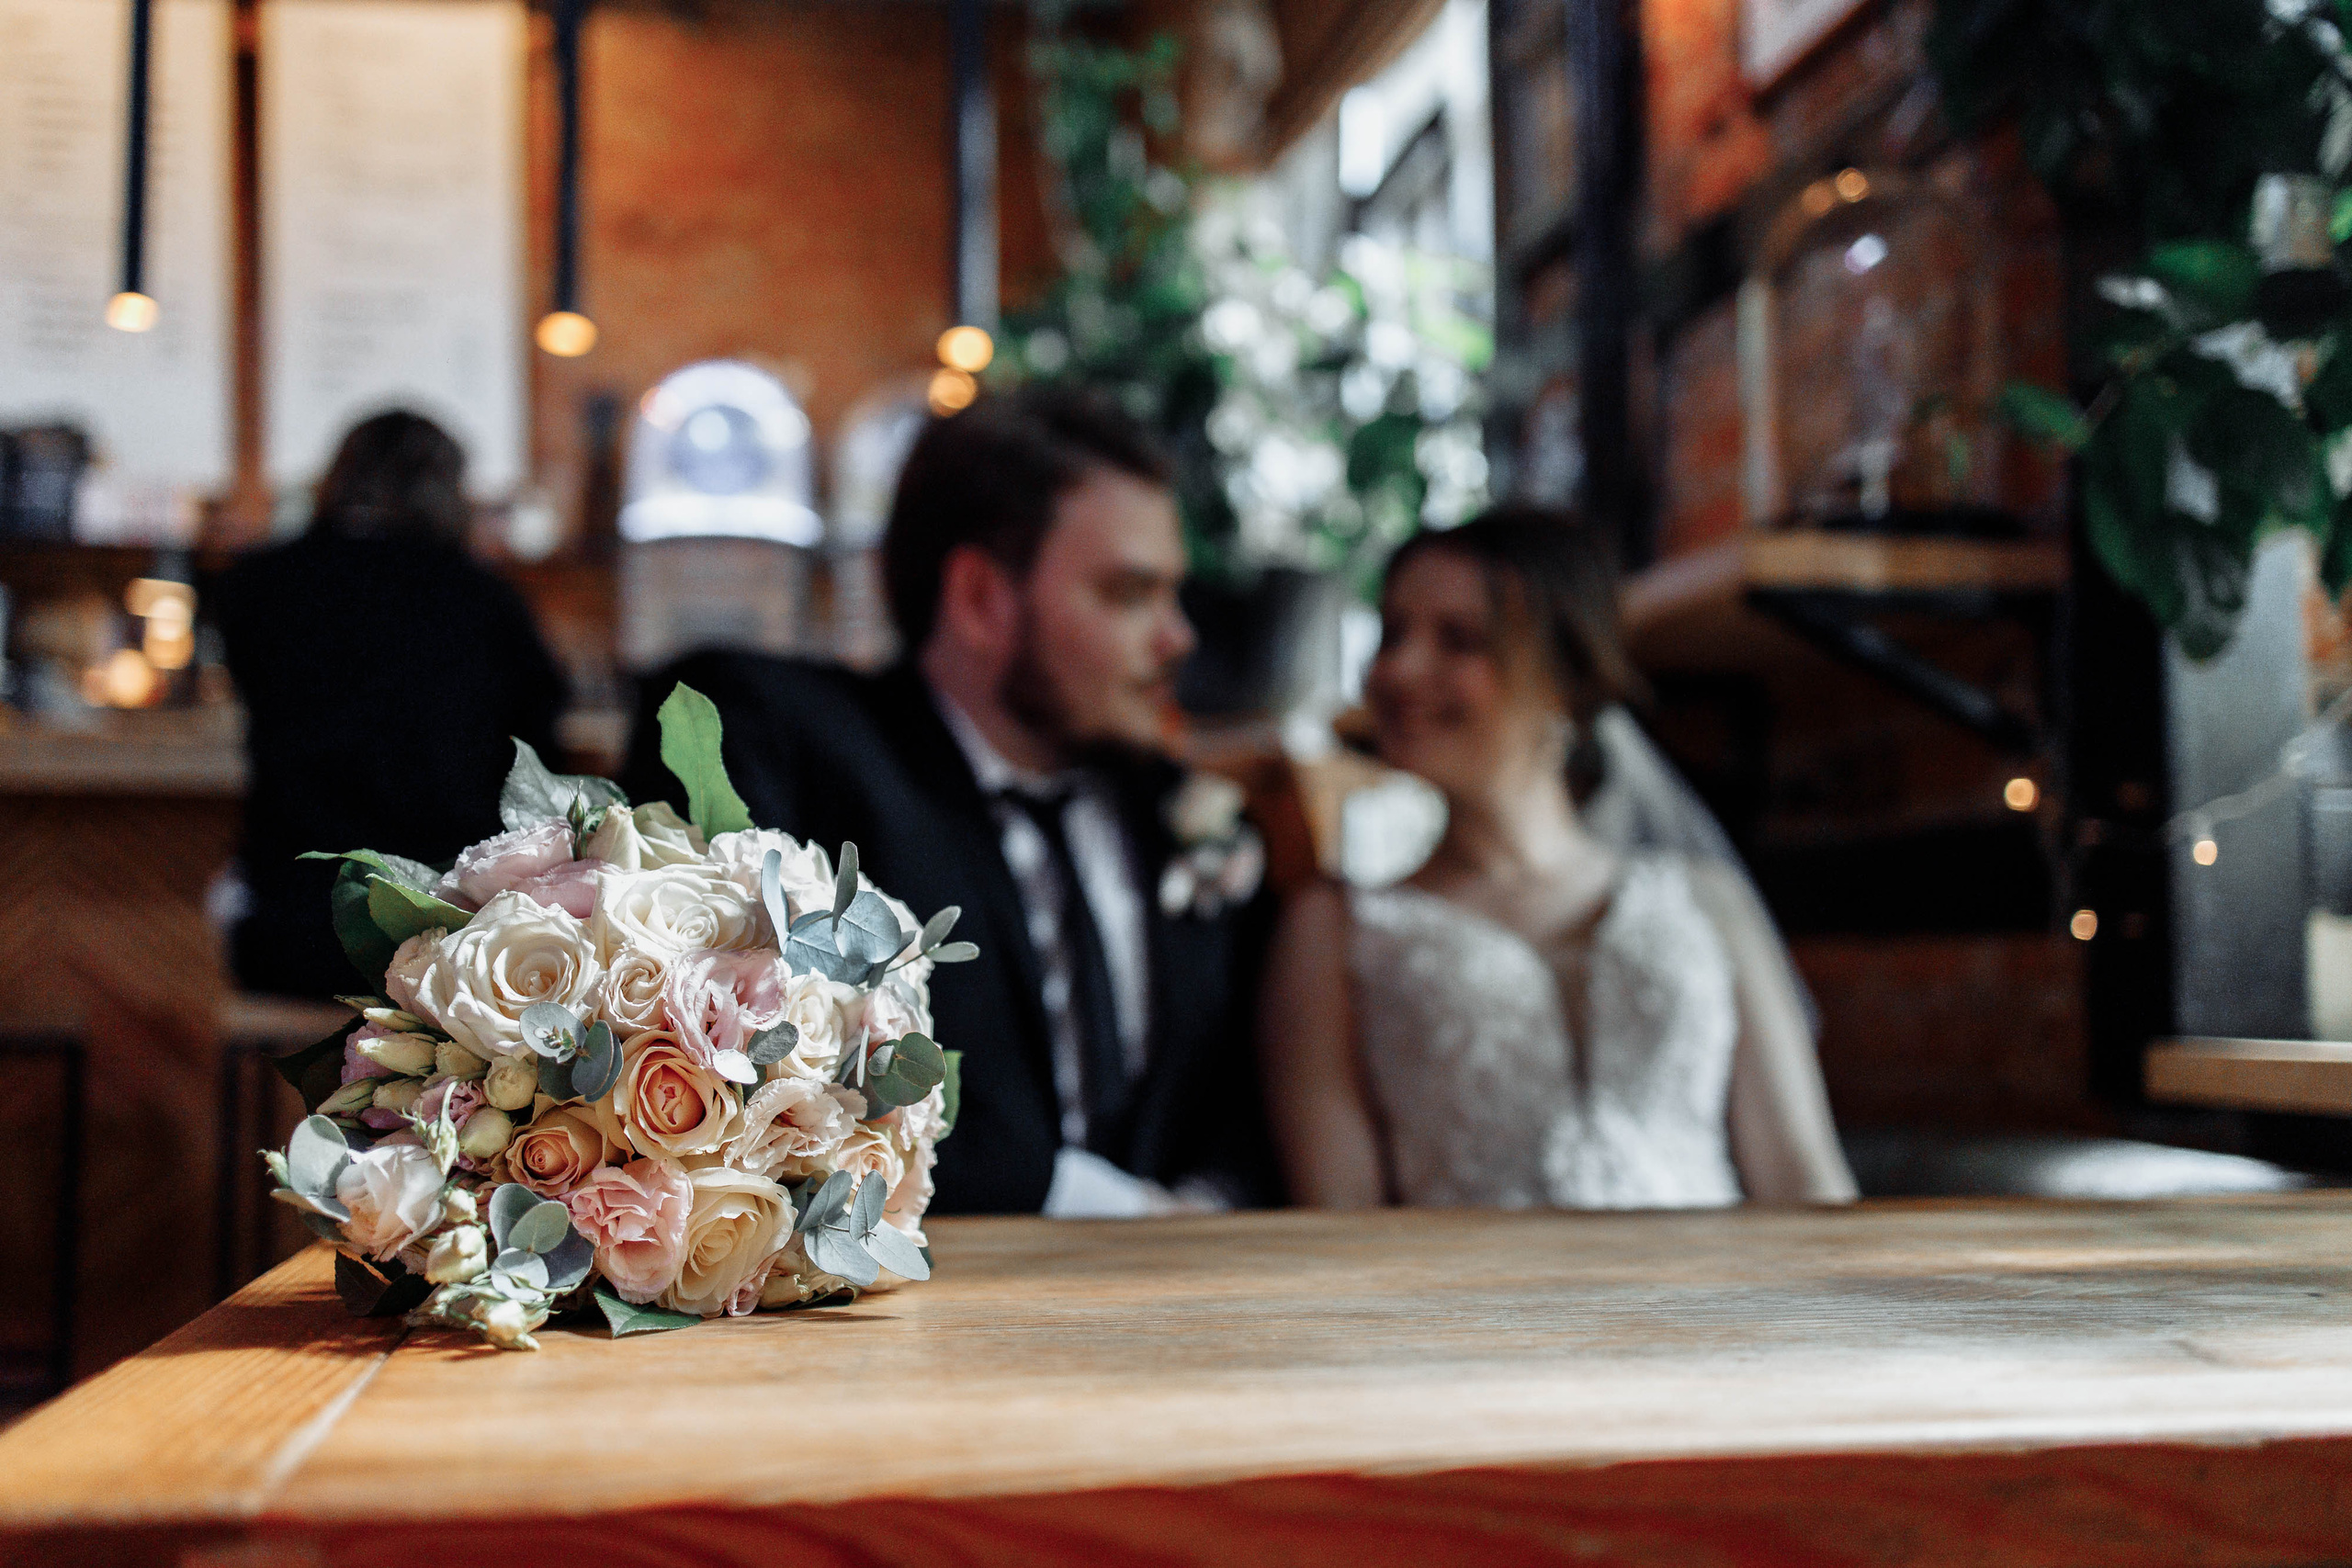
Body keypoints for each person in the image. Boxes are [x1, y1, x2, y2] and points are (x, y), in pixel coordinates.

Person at [618, 388, 1278, 1216]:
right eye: (1126, 594)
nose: (1176, 636)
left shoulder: (1179, 814)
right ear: (979, 599)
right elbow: (768, 1069)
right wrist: (1126, 1216)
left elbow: (1249, 1096)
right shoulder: (790, 745)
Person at [1261, 506, 1857, 1210]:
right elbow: (1342, 1227)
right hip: (1475, 1315)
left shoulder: (1704, 898)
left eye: (1459, 639)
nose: (1395, 669)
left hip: (1726, 1309)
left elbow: (1806, 1180)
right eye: (1392, 633)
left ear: (1564, 674)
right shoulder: (1333, 929)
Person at [215, 410, 568, 998]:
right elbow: (540, 744)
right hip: (448, 939)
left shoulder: (256, 585)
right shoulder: (484, 601)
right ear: (448, 491)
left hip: (293, 928)